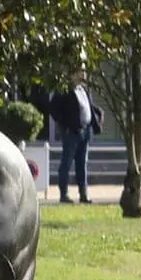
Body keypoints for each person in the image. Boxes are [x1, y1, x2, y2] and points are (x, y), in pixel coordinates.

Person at [47, 69, 103, 204]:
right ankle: (64, 194)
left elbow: (87, 105)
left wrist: (97, 112)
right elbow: (53, 109)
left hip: (85, 131)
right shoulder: (64, 90)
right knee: (66, 162)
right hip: (71, 132)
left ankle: (83, 193)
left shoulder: (83, 89)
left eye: (84, 72)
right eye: (80, 72)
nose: (83, 75)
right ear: (72, 74)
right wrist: (64, 125)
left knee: (82, 163)